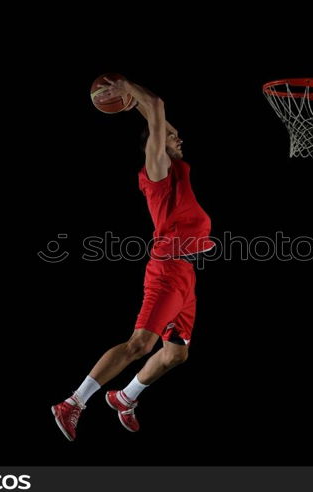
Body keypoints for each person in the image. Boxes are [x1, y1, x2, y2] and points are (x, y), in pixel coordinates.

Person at [51, 77, 215, 440]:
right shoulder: (157, 172)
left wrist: (133, 104)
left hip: (185, 272)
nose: (178, 138)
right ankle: (73, 402)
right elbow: (157, 109)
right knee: (140, 344)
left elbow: (157, 117)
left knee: (176, 355)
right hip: (167, 270)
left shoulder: (174, 168)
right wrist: (128, 86)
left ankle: (125, 397)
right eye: (171, 138)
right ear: (155, 148)